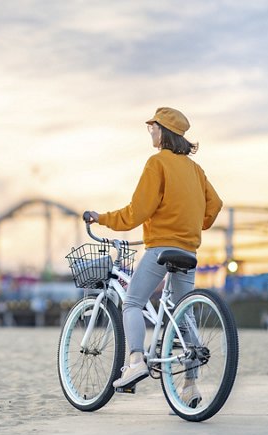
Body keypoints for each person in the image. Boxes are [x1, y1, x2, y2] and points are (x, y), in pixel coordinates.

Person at [86, 107, 222, 406]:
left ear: (165, 132)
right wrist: (191, 224)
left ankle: (135, 361)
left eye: (153, 127)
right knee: (181, 314)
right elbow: (215, 205)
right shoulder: (196, 171)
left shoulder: (157, 162)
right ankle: (190, 387)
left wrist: (103, 218)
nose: (150, 132)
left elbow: (138, 211)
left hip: (161, 246)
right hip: (188, 249)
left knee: (132, 302)